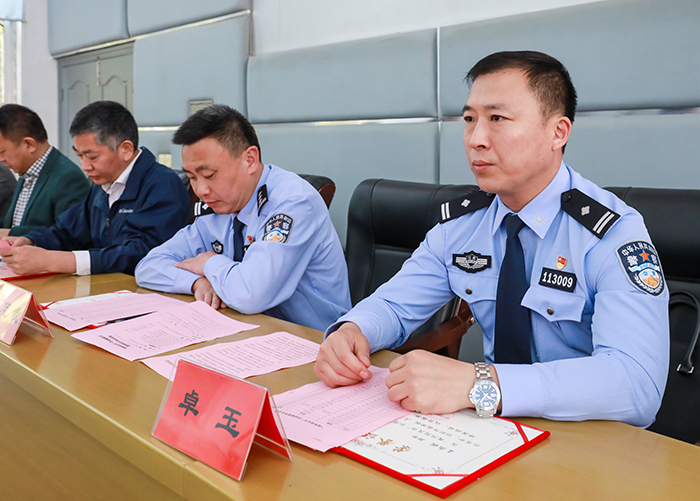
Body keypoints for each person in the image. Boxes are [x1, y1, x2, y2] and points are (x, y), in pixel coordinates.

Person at [314, 51, 669, 427]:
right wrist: (353, 331)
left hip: (586, 437)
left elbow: (637, 385)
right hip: (494, 429)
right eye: (470, 119)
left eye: (497, 119)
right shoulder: (463, 224)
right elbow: (393, 305)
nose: (475, 139)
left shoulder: (611, 234)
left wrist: (482, 384)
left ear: (558, 132)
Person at [135, 104, 350, 332]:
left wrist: (209, 263)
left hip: (312, 339)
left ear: (250, 160)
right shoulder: (218, 206)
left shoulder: (293, 203)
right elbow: (148, 267)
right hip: (246, 331)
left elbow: (250, 294)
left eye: (209, 175)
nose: (201, 190)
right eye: (192, 177)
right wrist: (197, 281)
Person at [0, 101, 190, 276]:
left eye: (92, 157)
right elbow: (68, 231)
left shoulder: (162, 185)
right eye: (80, 156)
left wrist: (58, 261)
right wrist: (31, 240)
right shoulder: (102, 186)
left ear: (125, 149)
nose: (84, 166)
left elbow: (142, 253)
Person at [0, 104, 89, 236]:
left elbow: (69, 235)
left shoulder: (68, 177)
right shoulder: (26, 171)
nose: (1, 159)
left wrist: (11, 233)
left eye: (2, 152)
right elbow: (15, 223)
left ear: (29, 144)